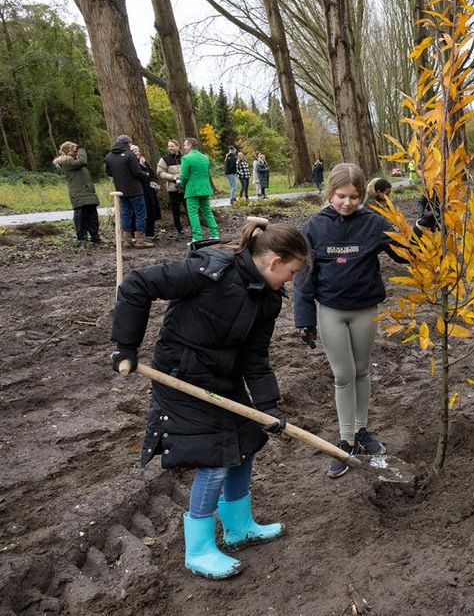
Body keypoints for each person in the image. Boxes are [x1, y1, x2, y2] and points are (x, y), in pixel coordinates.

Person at [110, 219, 310, 580]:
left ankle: (238, 527)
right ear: (275, 262)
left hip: (223, 376)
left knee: (245, 444)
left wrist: (267, 406)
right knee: (215, 457)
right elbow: (137, 285)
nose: (290, 282)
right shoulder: (210, 270)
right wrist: (126, 346)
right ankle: (199, 549)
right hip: (179, 376)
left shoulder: (267, 298)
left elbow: (256, 357)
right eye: (291, 273)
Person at [293, 163, 408, 479]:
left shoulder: (373, 223)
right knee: (343, 375)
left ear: (362, 196)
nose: (347, 203)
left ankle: (362, 431)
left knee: (360, 371)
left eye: (354, 197)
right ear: (330, 193)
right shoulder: (315, 227)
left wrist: (418, 231)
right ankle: (345, 440)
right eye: (341, 196)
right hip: (331, 310)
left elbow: (404, 253)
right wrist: (304, 320)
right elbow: (304, 275)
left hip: (365, 309)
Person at [104, 134, 152, 249]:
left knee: (125, 214)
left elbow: (109, 173)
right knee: (140, 213)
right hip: (135, 189)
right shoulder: (130, 155)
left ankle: (127, 240)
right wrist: (145, 175)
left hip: (120, 189)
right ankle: (140, 240)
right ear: (127, 143)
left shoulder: (109, 156)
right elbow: (136, 172)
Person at [54, 141, 101, 245]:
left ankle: (95, 236)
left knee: (92, 216)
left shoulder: (76, 162)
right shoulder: (66, 162)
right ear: (67, 151)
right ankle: (82, 238)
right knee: (80, 217)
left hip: (88, 192)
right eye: (74, 149)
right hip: (78, 194)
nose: (76, 151)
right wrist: (82, 150)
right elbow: (83, 161)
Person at [179, 137, 220, 242]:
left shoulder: (186, 158)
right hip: (205, 188)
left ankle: (197, 237)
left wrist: (181, 184)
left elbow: (183, 176)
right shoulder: (205, 158)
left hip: (192, 189)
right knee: (207, 211)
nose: (184, 147)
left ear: (190, 145)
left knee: (193, 213)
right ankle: (215, 234)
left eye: (185, 145)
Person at [131, 144, 162, 241]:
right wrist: (141, 166)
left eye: (138, 151)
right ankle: (138, 235)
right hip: (139, 191)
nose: (138, 153)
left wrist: (144, 165)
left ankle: (150, 233)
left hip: (149, 191)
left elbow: (151, 174)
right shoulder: (131, 164)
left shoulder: (144, 162)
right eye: (135, 151)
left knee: (151, 211)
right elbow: (140, 175)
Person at [157, 140, 185, 238]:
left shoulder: (184, 158)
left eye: (172, 146)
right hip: (173, 188)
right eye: (169, 146)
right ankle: (179, 229)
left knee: (190, 209)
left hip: (186, 188)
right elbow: (160, 172)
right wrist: (172, 177)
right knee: (176, 210)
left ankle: (195, 228)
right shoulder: (164, 159)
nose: (170, 148)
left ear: (178, 146)